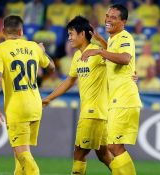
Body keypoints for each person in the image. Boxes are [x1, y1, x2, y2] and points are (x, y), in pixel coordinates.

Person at [42, 16, 112, 175]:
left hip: (93, 113)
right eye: (68, 34)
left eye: (71, 34)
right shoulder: (77, 56)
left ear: (82, 34)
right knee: (103, 155)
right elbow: (70, 81)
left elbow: (114, 56)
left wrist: (101, 43)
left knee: (79, 153)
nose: (69, 38)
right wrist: (48, 98)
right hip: (94, 112)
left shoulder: (96, 51)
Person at [81, 4, 142, 175]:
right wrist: (101, 40)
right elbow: (116, 54)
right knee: (112, 145)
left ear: (124, 21)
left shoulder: (124, 37)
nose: (108, 19)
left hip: (124, 99)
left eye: (114, 17)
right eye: (107, 16)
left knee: (114, 146)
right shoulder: (115, 39)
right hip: (118, 99)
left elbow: (124, 58)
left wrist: (99, 52)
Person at [0, 15, 55, 175]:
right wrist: (43, 52)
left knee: (24, 157)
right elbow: (52, 67)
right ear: (21, 31)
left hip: (17, 108)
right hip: (35, 106)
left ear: (3, 31)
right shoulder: (33, 47)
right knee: (19, 157)